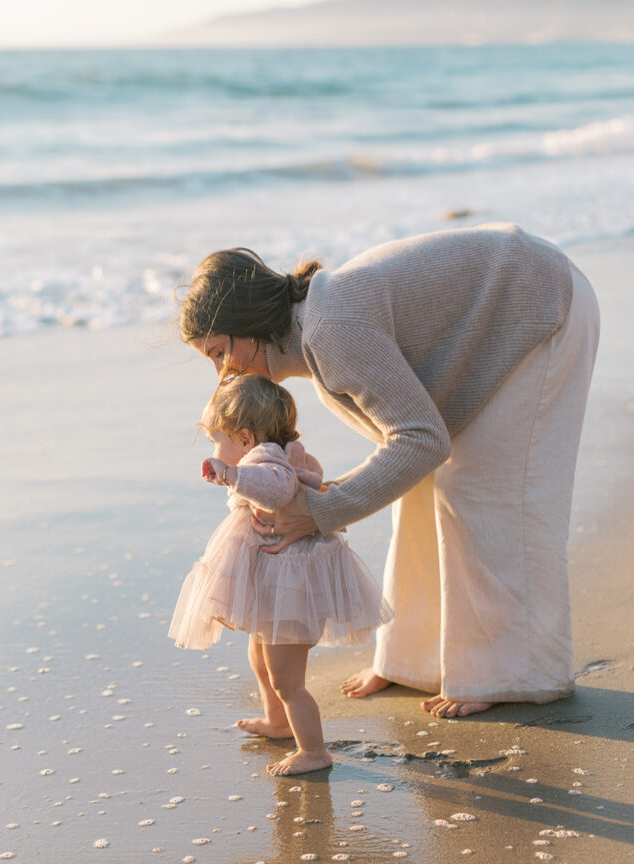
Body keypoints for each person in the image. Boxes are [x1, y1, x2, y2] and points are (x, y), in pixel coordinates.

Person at [178, 223, 600, 720]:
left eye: (220, 352)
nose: (223, 373)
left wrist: (320, 510)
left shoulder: (328, 329)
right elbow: (407, 446)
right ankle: (412, 658)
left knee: (483, 489)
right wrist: (324, 496)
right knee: (417, 489)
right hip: (502, 306)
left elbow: (421, 439)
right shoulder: (316, 343)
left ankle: (511, 671)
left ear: (248, 323)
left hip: (538, 300)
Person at [168, 373, 392, 775]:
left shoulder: (266, 462)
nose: (216, 449)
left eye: (218, 440)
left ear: (245, 438)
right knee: (259, 657)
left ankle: (313, 751)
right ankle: (277, 721)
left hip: (290, 588)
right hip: (277, 583)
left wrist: (231, 474)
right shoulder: (275, 454)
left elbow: (275, 489)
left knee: (288, 680)